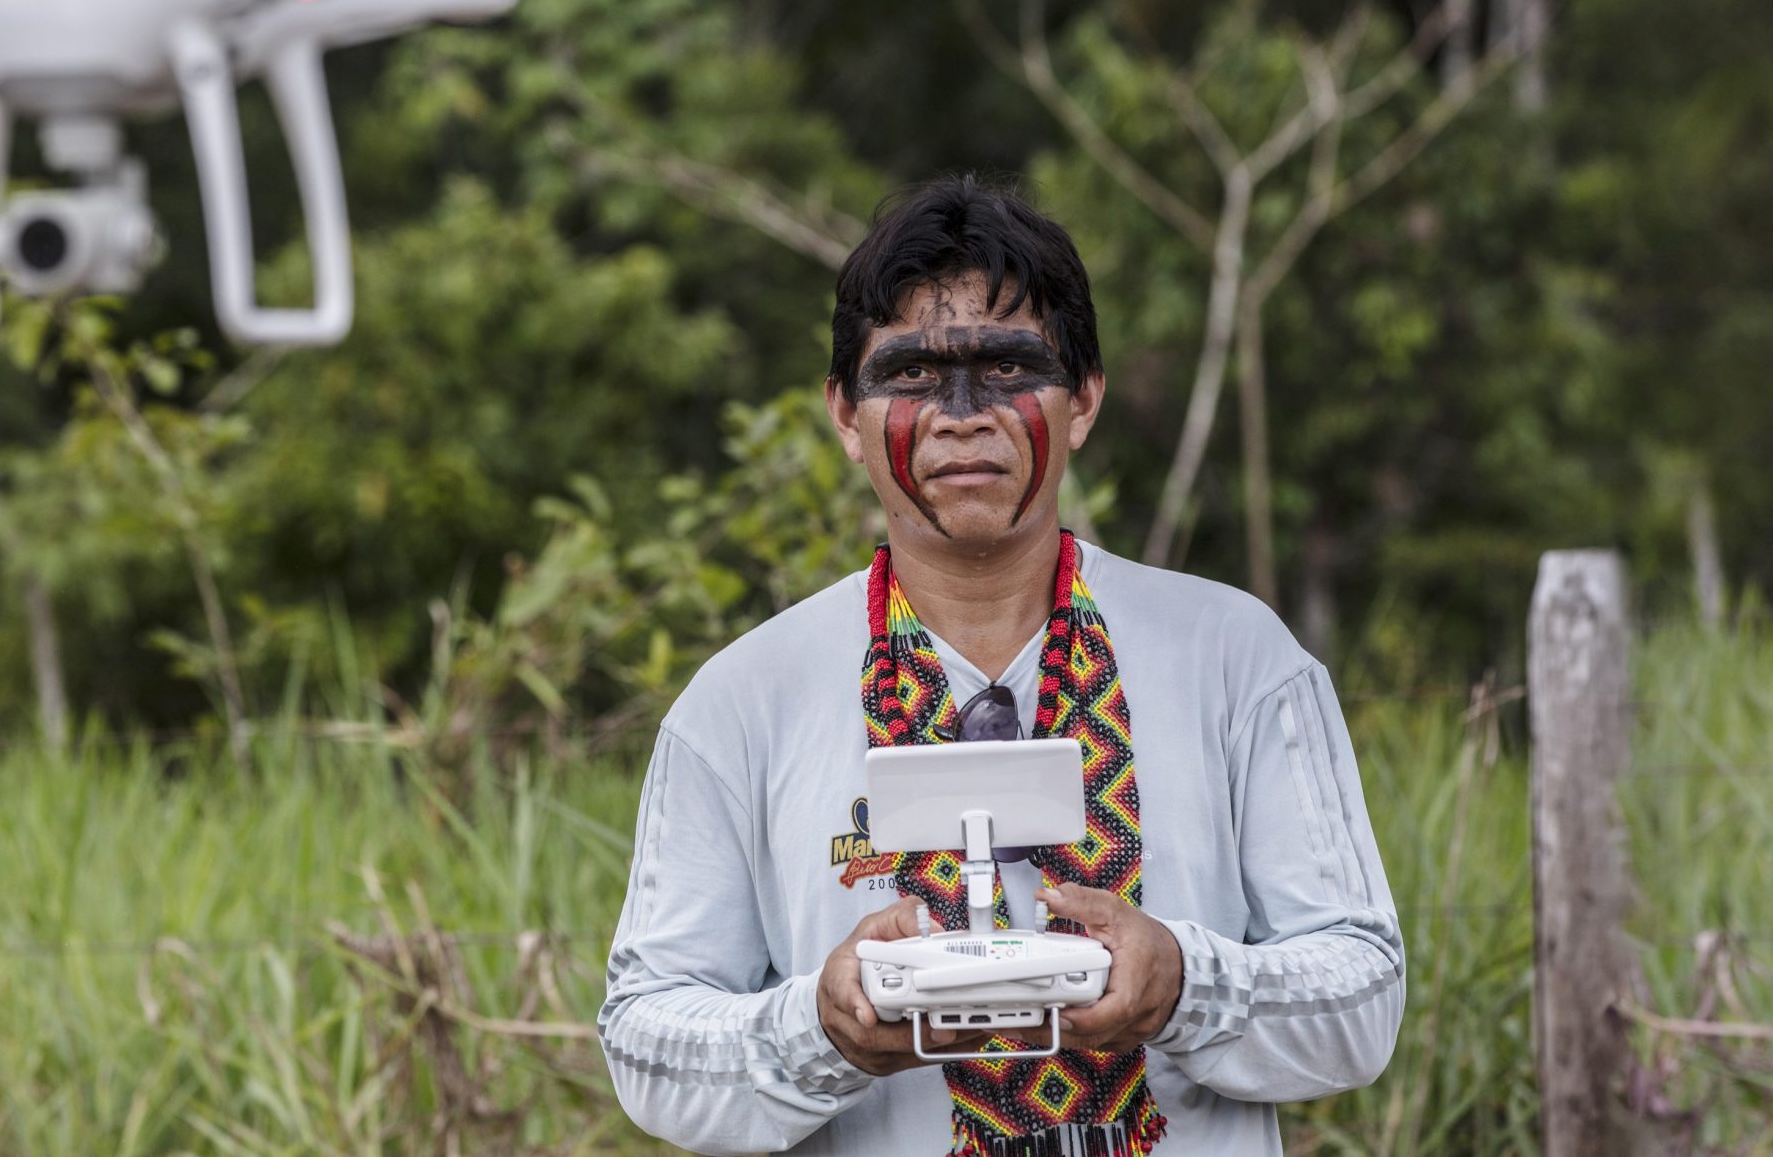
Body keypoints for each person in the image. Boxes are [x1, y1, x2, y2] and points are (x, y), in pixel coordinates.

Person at [597, 175, 1402, 1156]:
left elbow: (1363, 995)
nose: (963, 414)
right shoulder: (740, 704)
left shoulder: (1236, 659)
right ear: (845, 417)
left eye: (1010, 369)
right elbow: (641, 1040)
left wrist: (1184, 985)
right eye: (912, 377)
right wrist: (821, 1027)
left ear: (1083, 403)